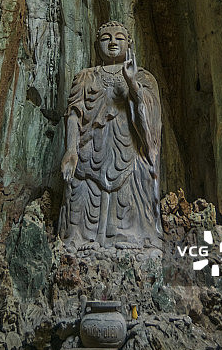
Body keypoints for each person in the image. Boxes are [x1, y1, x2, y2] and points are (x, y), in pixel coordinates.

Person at [59, 21, 162, 250]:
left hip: (128, 152)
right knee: (81, 189)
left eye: (119, 38)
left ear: (129, 44)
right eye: (106, 38)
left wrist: (132, 83)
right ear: (97, 47)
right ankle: (81, 236)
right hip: (89, 151)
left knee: (137, 177)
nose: (113, 42)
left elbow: (150, 117)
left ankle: (127, 234)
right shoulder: (85, 76)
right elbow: (74, 114)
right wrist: (71, 149)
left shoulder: (144, 77)